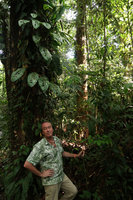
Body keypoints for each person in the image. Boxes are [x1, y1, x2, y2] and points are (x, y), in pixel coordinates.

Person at [24, 121, 84, 200]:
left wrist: (75, 155)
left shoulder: (56, 140)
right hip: (51, 180)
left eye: (49, 127)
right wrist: (41, 174)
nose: (48, 130)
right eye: (45, 129)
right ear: (42, 132)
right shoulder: (39, 146)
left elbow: (61, 152)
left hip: (61, 175)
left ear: (52, 129)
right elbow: (27, 164)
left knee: (72, 191)